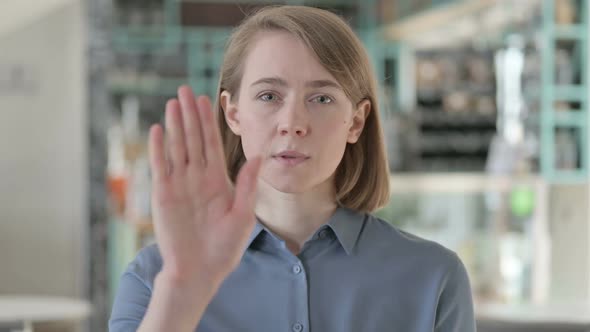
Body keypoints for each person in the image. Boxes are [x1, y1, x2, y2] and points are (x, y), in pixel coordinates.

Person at [109, 5, 476, 332]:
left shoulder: (435, 277)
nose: (293, 123)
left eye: (321, 98)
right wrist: (180, 290)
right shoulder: (152, 277)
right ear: (233, 112)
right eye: (269, 96)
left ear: (356, 122)